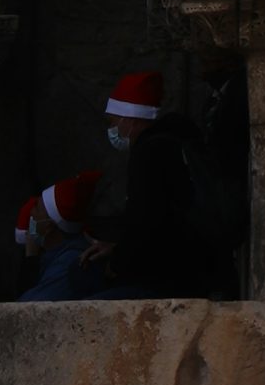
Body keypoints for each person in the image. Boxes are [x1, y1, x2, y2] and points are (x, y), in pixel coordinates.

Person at [77, 69, 240, 300]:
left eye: (113, 121)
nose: (112, 128)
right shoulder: (173, 143)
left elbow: (146, 221)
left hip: (174, 278)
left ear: (129, 119)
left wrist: (117, 264)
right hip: (201, 268)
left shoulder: (149, 153)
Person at [20, 174, 100, 302]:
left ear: (48, 226)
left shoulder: (69, 262)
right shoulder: (55, 255)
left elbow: (29, 305)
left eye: (37, 210)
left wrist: (31, 258)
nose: (32, 213)